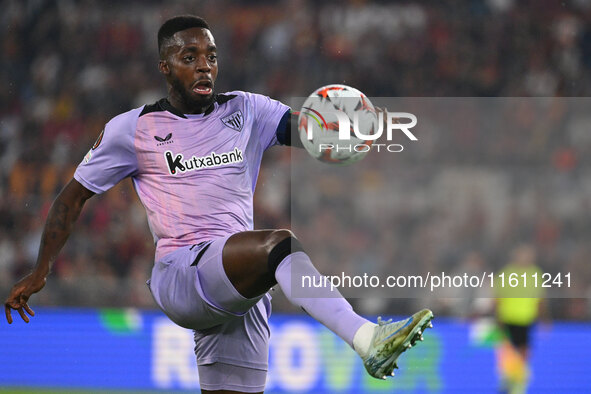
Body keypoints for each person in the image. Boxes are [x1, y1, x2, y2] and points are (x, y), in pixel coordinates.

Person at [4, 15, 433, 393]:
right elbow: (71, 198)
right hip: (183, 274)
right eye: (189, 56)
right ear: (165, 67)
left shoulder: (247, 111)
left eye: (210, 55)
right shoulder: (133, 129)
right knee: (278, 245)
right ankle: (365, 339)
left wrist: (351, 129)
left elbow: (305, 129)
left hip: (238, 288)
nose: (204, 64)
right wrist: (41, 269)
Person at [494, 244, 548, 394]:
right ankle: (508, 380)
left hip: (526, 320)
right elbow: (498, 298)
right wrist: (498, 318)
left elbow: (539, 299)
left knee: (524, 352)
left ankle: (518, 384)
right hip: (508, 318)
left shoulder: (535, 274)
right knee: (508, 352)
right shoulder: (506, 274)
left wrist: (544, 319)